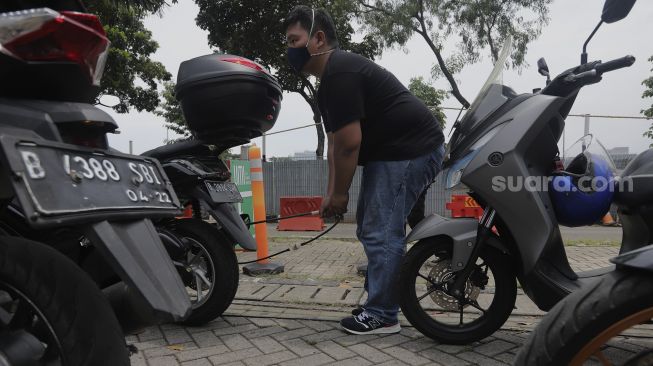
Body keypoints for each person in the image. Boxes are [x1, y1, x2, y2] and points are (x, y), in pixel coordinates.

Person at [284, 6, 445, 335]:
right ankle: (379, 303)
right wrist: (331, 194)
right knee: (374, 227)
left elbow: (349, 145)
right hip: (394, 153)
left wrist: (340, 194)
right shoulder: (330, 81)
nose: (289, 49)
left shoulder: (341, 72)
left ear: (317, 39)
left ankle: (383, 313)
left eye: (293, 39)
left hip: (409, 149)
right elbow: (334, 143)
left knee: (380, 230)